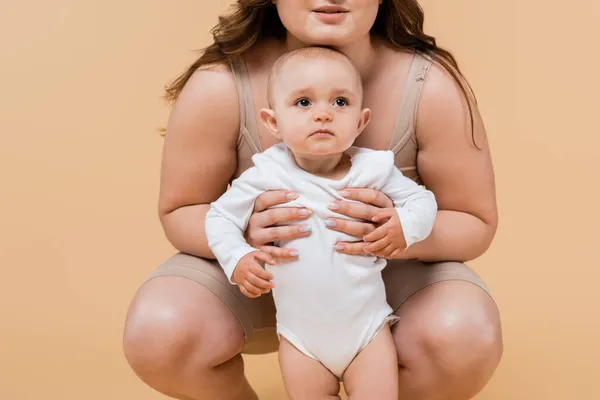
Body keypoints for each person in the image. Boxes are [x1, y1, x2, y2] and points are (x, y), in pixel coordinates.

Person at [123, 1, 503, 399]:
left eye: (340, 102)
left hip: (383, 286)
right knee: (159, 330)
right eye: (303, 102)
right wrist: (245, 238)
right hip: (266, 278)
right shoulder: (219, 84)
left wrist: (397, 233)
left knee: (463, 332)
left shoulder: (432, 87)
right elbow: (180, 210)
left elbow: (473, 221)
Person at [204, 46, 438, 399]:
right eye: (303, 103)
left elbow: (423, 201)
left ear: (361, 122)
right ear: (273, 123)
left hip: (368, 331)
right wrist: (237, 257)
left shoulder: (373, 169)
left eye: (340, 102)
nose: (324, 114)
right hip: (302, 339)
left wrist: (405, 224)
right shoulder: (268, 172)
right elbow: (220, 216)